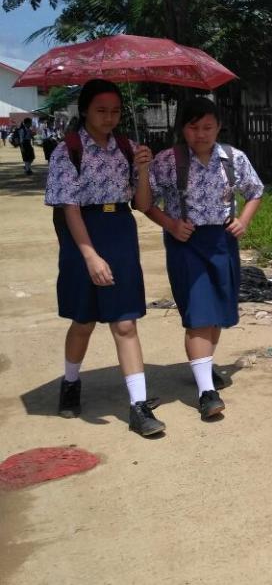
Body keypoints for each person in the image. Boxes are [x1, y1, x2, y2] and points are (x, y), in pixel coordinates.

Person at [44, 79, 165, 437]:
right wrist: (90, 256)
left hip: (120, 230)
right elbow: (70, 209)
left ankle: (138, 406)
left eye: (115, 111)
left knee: (125, 321)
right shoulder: (68, 150)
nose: (109, 117)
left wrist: (143, 168)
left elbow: (142, 204)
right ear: (84, 111)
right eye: (101, 110)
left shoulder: (127, 147)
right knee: (83, 320)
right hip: (82, 233)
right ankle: (70, 382)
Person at [146, 97, 264, 420]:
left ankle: (204, 368)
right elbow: (144, 201)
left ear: (219, 128)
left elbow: (255, 191)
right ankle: (205, 392)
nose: (201, 134)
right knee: (199, 313)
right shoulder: (168, 161)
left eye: (208, 127)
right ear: (182, 128)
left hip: (223, 241)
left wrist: (244, 221)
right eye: (193, 127)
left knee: (218, 312)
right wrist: (170, 224)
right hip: (186, 244)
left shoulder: (232, 158)